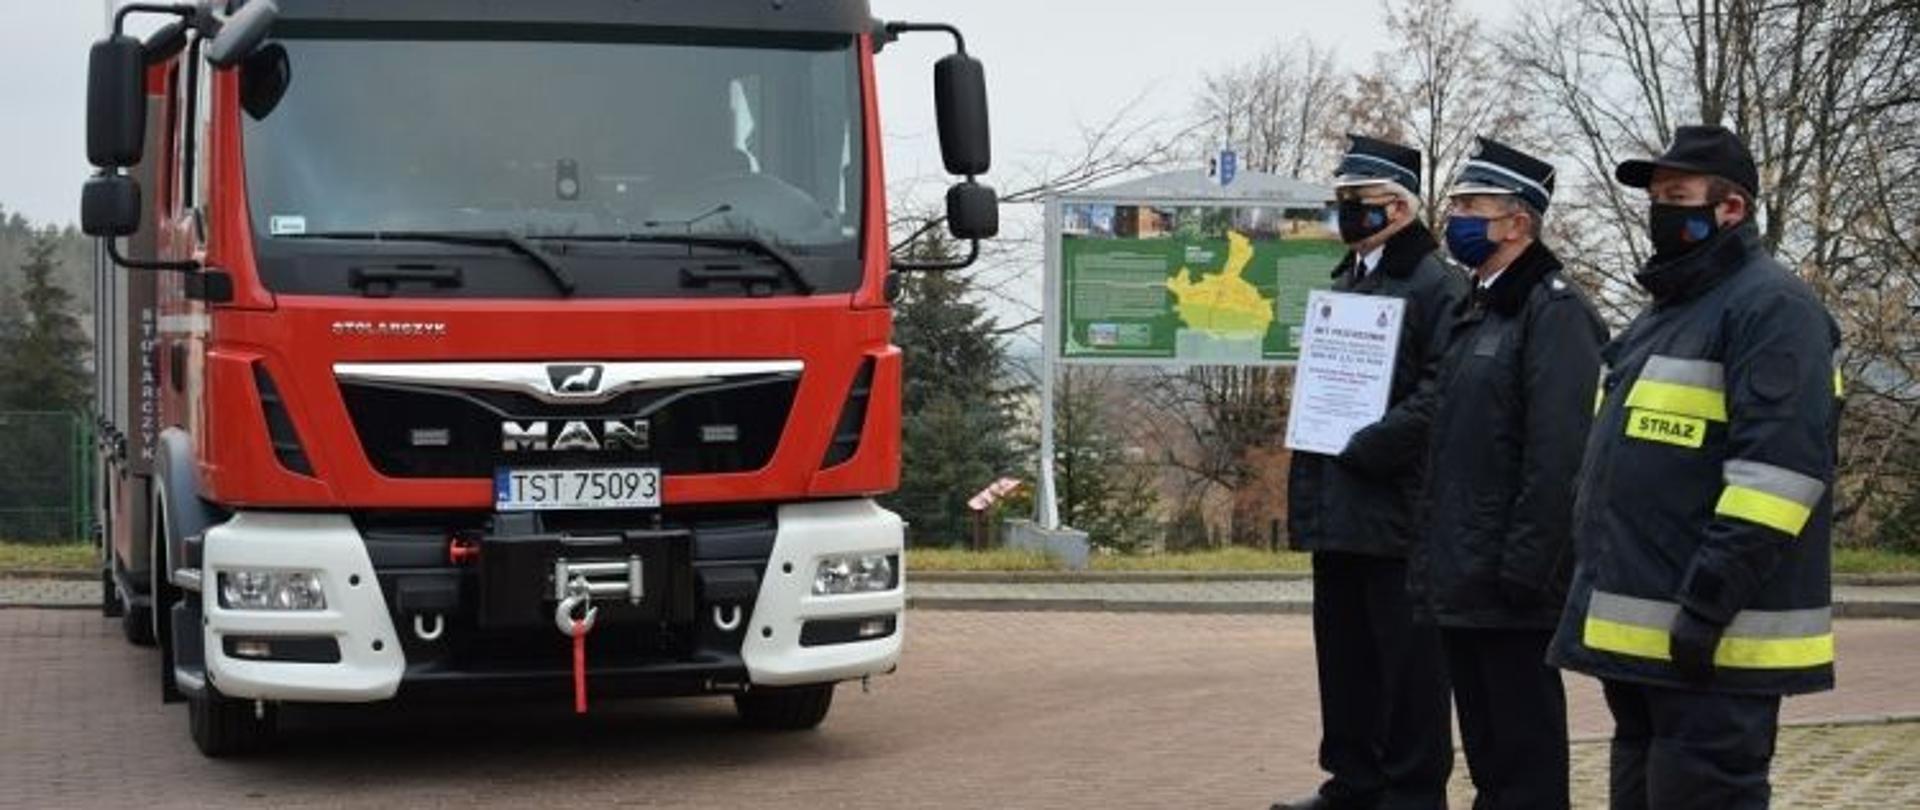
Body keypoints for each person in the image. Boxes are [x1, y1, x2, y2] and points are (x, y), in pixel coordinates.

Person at [1546, 124, 1842, 809]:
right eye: (1656, 198)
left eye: (1676, 197)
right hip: (1645, 649)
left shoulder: (1774, 309)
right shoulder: (1668, 312)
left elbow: (1779, 477)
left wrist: (1706, 605)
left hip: (1715, 649)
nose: (1659, 211)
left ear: (1730, 208)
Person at [1415, 137, 1606, 809]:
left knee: (1524, 756)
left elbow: (1559, 457)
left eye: (1471, 207)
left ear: (1518, 222)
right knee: (1491, 755)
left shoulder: (1555, 313)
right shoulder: (1477, 307)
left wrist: (1525, 569)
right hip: (1466, 573)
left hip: (1513, 582)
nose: (1455, 219)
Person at [1276, 134, 1465, 810]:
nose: (1347, 212)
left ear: (1401, 206)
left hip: (1398, 511)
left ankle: (1411, 792)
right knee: (1346, 659)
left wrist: (1373, 442)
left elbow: (1444, 392)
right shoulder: (1348, 279)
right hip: (1339, 505)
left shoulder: (1437, 285)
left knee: (1408, 669)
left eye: (1360, 199)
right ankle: (1352, 783)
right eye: (1342, 199)